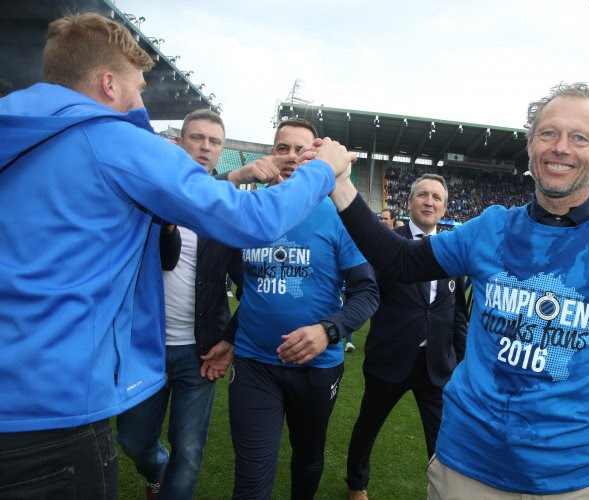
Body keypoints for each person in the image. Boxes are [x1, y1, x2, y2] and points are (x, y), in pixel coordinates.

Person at [0, 13, 352, 499]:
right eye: (137, 87)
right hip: (54, 404)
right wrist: (323, 171)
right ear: (107, 83)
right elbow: (250, 221)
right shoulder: (116, 142)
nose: (141, 102)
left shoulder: (15, 125)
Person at [327, 82, 589, 499]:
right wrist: (343, 185)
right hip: (465, 472)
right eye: (548, 133)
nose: (560, 147)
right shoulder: (490, 228)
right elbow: (401, 261)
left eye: (579, 137)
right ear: (530, 145)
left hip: (574, 482)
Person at [225, 118, 379, 499]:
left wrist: (328, 330)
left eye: (302, 149)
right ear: (270, 154)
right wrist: (231, 333)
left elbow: (367, 291)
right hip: (254, 364)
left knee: (307, 458)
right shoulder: (250, 209)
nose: (291, 157)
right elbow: (243, 281)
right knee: (252, 472)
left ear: (317, 155)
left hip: (316, 368)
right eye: (282, 148)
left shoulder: (339, 215)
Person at [116, 109, 243, 499]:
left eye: (214, 141)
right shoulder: (145, 196)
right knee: (133, 441)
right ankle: (157, 468)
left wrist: (232, 339)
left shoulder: (227, 210)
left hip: (200, 351)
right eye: (197, 137)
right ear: (179, 142)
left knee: (189, 451)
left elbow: (252, 285)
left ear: (221, 152)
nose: (205, 146)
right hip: (144, 348)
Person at [346, 174, 468, 500]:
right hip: (391, 358)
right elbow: (368, 294)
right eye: (423, 195)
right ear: (409, 202)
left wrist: (463, 359)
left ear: (444, 208)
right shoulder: (386, 244)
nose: (429, 201)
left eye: (436, 198)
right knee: (367, 426)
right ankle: (356, 484)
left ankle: (445, 491)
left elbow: (457, 312)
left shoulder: (453, 250)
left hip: (437, 364)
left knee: (443, 437)